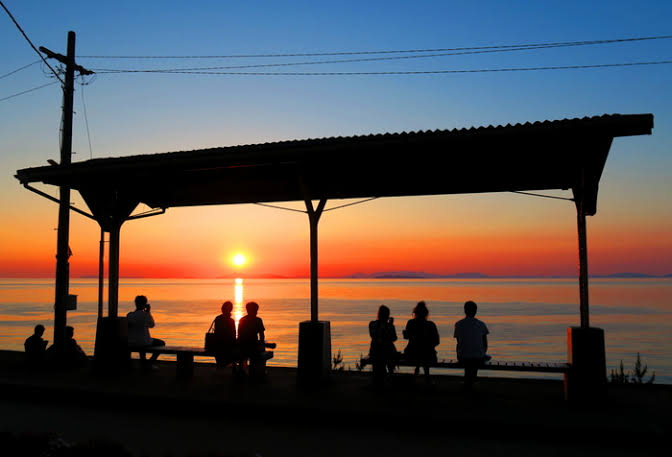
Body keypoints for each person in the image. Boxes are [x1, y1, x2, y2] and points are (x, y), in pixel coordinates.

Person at [454, 300, 490, 391]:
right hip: (478, 357)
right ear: (475, 311)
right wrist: (482, 352)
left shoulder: (458, 324)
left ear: (465, 310)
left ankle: (468, 382)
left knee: (467, 355)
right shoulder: (481, 324)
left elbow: (459, 342)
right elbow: (485, 344)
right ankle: (471, 381)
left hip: (463, 357)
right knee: (477, 357)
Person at [403, 301, 440, 383]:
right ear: (426, 313)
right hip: (428, 355)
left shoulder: (411, 323)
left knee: (418, 353)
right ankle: (426, 376)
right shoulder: (431, 325)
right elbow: (437, 341)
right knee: (425, 354)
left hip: (411, 354)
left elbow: (406, 337)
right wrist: (429, 346)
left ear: (415, 313)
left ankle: (417, 370)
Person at [127, 295, 165, 368]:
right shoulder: (145, 315)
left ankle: (144, 364)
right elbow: (152, 325)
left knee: (141, 341)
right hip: (144, 342)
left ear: (135, 303)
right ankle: (149, 363)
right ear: (145, 304)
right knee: (161, 343)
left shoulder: (130, 315)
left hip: (132, 342)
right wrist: (148, 312)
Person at [368, 305, 398, 388]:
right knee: (388, 353)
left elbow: (373, 335)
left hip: (376, 352)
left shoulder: (372, 324)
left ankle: (380, 380)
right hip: (385, 352)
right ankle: (389, 378)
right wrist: (389, 326)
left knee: (383, 353)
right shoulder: (388, 326)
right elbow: (394, 338)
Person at [237, 301, 265, 375]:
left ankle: (242, 370)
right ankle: (255, 370)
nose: (256, 312)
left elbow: (239, 334)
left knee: (244, 354)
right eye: (256, 310)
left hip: (243, 346)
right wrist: (261, 344)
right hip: (253, 346)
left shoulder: (242, 319)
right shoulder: (258, 320)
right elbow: (262, 335)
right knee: (258, 352)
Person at [213, 301, 238, 370]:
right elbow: (233, 335)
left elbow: (217, 332)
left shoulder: (218, 318)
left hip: (218, 345)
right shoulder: (231, 321)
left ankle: (221, 367)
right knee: (234, 352)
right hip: (226, 346)